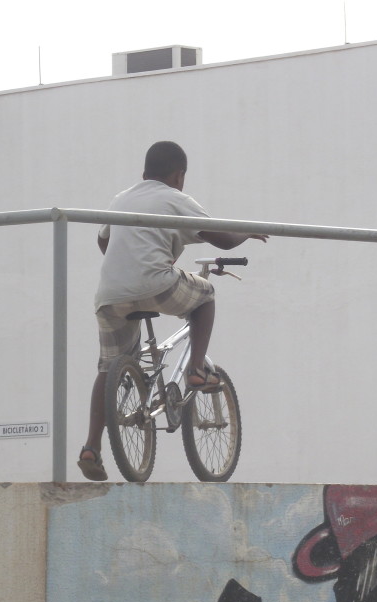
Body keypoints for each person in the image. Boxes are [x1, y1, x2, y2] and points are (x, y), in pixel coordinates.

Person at [78, 141, 267, 481]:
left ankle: (92, 446)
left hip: (109, 295)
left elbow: (103, 241)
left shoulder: (121, 199)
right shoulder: (175, 199)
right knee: (205, 295)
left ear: (143, 173)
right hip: (155, 285)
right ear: (179, 175)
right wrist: (246, 233)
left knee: (108, 369)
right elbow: (221, 239)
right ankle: (196, 368)